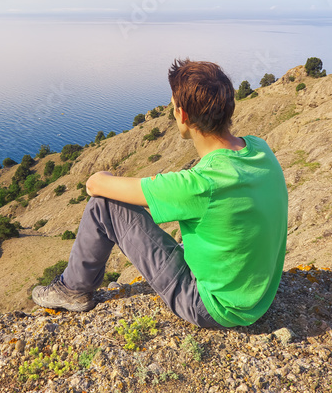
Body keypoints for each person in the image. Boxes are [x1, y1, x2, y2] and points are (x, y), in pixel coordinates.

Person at [31, 58, 288, 328]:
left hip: (214, 307)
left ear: (182, 115)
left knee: (103, 206)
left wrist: (104, 175)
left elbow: (95, 186)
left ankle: (72, 289)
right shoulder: (260, 149)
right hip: (259, 297)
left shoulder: (199, 184)